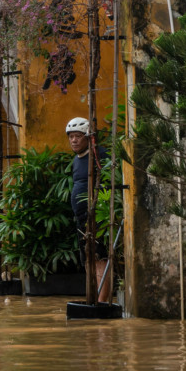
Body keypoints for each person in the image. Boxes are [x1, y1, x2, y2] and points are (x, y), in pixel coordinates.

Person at [67, 117, 111, 303]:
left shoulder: (100, 155)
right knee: (87, 258)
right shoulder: (77, 160)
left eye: (78, 136)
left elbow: (110, 183)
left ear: (88, 137)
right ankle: (92, 298)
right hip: (81, 218)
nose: (74, 140)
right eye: (71, 137)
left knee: (99, 258)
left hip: (97, 216)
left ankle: (101, 301)